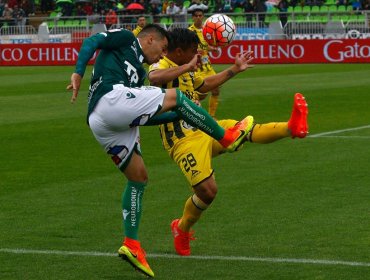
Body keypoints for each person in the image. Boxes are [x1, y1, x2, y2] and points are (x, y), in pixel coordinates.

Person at [67, 24, 253, 278]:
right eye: (162, 49)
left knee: (139, 177)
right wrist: (78, 72)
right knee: (175, 96)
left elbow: (144, 117)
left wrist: (177, 115)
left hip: (102, 122)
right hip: (110, 98)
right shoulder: (125, 38)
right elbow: (91, 41)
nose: (161, 55)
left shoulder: (137, 73)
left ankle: (131, 244)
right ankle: (226, 136)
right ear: (150, 39)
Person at [148, 28, 308, 256]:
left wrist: (234, 69)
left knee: (247, 129)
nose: (197, 56)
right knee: (208, 192)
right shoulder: (161, 63)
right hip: (183, 141)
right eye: (194, 51)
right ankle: (181, 228)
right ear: (180, 51)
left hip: (203, 127)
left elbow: (203, 85)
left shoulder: (185, 70)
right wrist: (186, 66)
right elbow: (153, 78)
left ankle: (291, 127)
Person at [188, 8, 222, 118]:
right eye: (196, 16)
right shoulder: (189, 32)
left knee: (216, 90)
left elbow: (206, 46)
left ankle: (212, 116)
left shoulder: (206, 30)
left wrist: (212, 48)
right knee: (200, 95)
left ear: (203, 17)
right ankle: (193, 114)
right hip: (197, 67)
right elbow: (187, 49)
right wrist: (196, 51)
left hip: (207, 66)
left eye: (200, 15)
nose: (198, 17)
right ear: (193, 17)